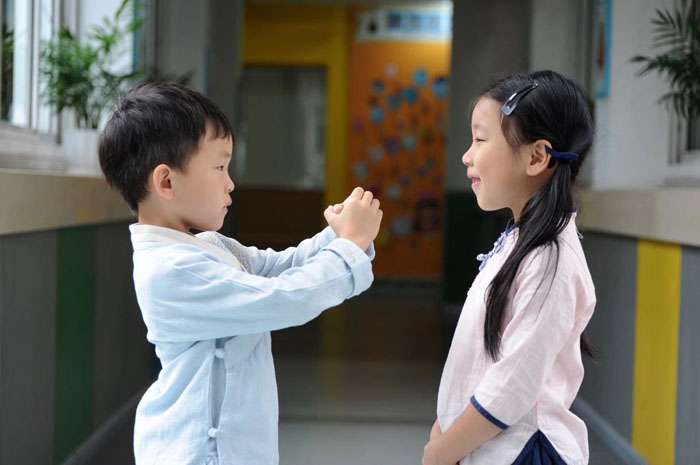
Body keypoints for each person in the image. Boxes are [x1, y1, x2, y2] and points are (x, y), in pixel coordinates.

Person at [98, 82, 383, 465]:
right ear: (166, 182)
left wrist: (337, 236)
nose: (230, 182)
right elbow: (281, 299)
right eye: (219, 167)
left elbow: (277, 267)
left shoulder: (204, 244)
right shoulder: (171, 269)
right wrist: (348, 246)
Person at [423, 71, 596, 465]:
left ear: (536, 157)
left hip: (525, 452)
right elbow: (478, 360)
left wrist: (440, 453)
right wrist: (443, 428)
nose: (467, 156)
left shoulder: (550, 257)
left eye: (480, 140)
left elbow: (512, 385)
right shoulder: (520, 240)